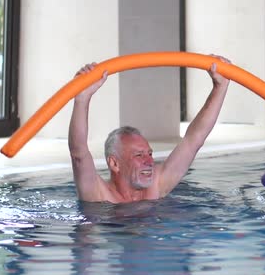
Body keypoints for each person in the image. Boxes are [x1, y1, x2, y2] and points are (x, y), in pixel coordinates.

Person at [68, 54, 230, 203]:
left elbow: (194, 140)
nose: (149, 161)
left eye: (149, 154)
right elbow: (79, 153)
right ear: (114, 163)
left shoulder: (157, 185)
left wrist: (220, 87)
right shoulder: (98, 195)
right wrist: (82, 98)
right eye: (139, 155)